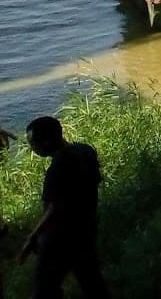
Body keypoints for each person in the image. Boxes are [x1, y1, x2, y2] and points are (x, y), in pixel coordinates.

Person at [18, 116, 110, 299]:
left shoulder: (57, 168)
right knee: (92, 282)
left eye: (33, 143)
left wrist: (32, 237)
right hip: (86, 229)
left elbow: (54, 208)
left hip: (59, 239)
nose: (32, 148)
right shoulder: (85, 151)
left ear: (47, 142)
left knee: (44, 289)